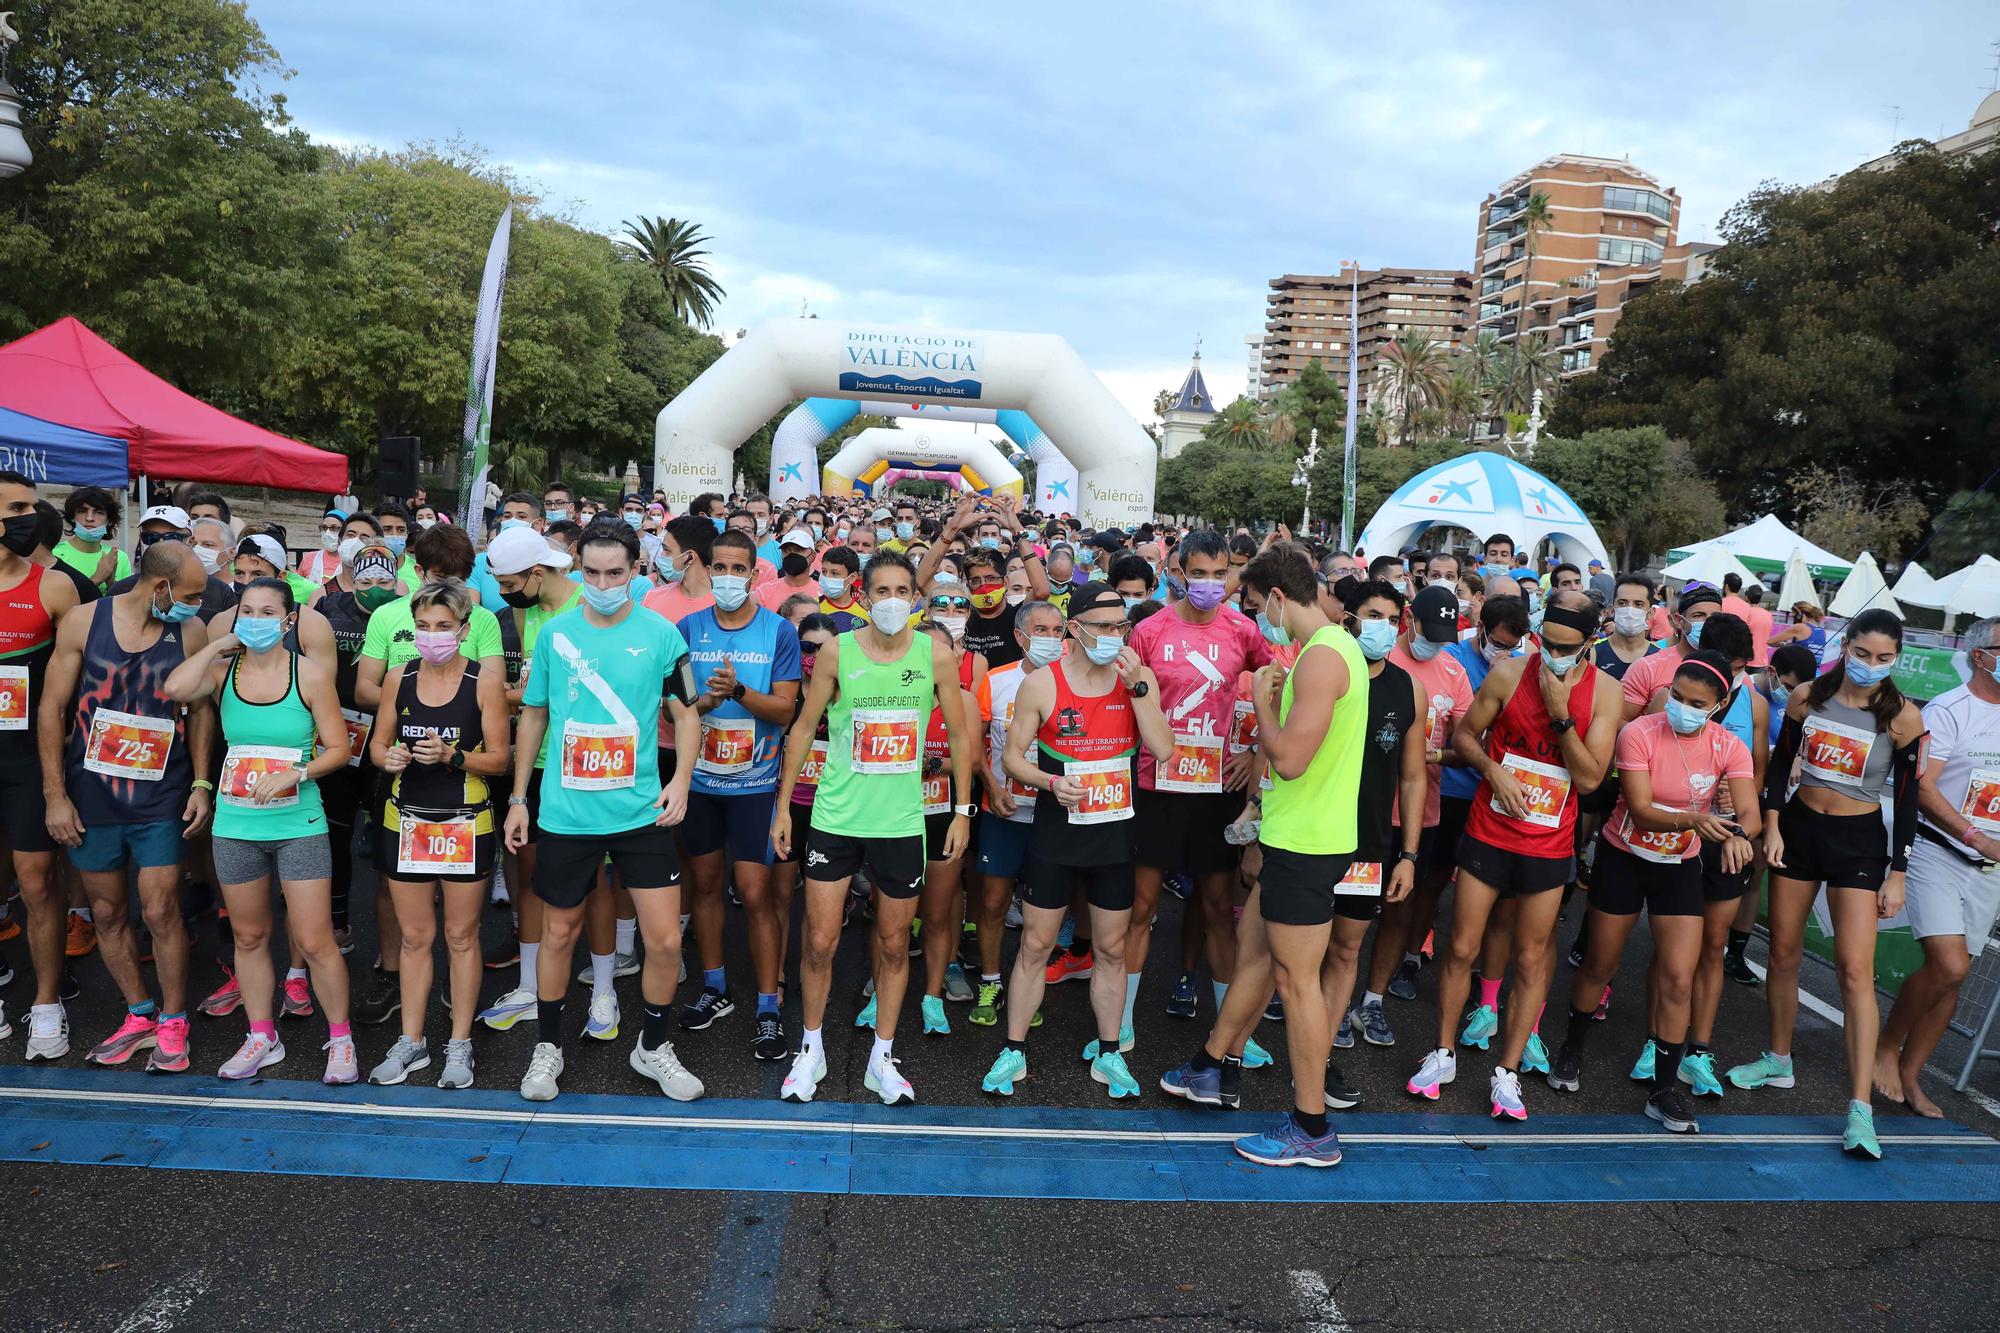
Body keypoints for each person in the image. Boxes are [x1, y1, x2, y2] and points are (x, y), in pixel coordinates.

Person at [1158, 544, 1367, 1167]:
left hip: (1309, 842)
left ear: (1278, 597)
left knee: (1295, 981)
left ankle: (1311, 1127)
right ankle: (1208, 1067)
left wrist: (1259, 700)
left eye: (1253, 606)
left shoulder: (1323, 659)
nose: (1253, 620)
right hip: (1296, 836)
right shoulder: (1326, 648)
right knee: (1251, 949)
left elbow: (1291, 758)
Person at [505, 520, 703, 1103]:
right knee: (559, 934)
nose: (602, 582)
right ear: (576, 569)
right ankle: (548, 1049)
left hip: (642, 812)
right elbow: (534, 716)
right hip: (566, 814)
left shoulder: (664, 635)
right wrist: (521, 798)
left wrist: (682, 781)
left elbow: (688, 713)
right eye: (590, 572)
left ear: (636, 571)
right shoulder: (555, 635)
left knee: (664, 941)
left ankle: (654, 1047)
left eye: (614, 572)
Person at [1408, 590, 1620, 1121]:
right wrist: (1493, 769)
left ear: (1590, 643)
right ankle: (1443, 1053)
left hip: (1548, 844)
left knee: (1531, 957)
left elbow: (1592, 778)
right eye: (1545, 642)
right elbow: (1464, 733)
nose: (1552, 653)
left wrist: (1559, 715)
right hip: (1488, 831)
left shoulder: (1607, 693)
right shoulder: (1507, 675)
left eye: (1565, 647)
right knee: (1460, 947)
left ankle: (1507, 1073)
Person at [771, 552, 974, 1106]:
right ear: (863, 596)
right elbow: (802, 728)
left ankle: (882, 1057)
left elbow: (959, 736)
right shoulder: (838, 649)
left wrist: (961, 810)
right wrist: (784, 807)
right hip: (836, 818)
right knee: (819, 941)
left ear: (915, 598)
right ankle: (810, 1048)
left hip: (902, 824)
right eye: (880, 589)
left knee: (890, 945)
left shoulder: (935, 655)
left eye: (901, 590)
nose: (890, 600)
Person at [1734, 607, 1925, 1159]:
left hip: (1859, 843)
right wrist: (1771, 827)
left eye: (1884, 658)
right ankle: (1779, 1060)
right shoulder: (1807, 697)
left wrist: (1899, 872)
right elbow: (1777, 767)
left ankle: (1860, 1107)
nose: (1871, 665)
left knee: (1855, 970)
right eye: (1862, 654)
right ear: (1846, 648)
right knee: (1784, 954)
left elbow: (1909, 800)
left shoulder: (1903, 717)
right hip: (1798, 830)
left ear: (1897, 658)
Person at [1548, 651, 1759, 1134]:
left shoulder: (1730, 746)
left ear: (1719, 704)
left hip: (1679, 866)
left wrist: (1740, 838)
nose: (1682, 708)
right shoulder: (1639, 732)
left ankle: (1664, 1089)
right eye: (1677, 698)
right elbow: (1640, 810)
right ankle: (1572, 1048)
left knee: (1680, 977)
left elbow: (1747, 811)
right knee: (1601, 963)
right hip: (1625, 858)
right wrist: (1697, 820)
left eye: (1696, 702)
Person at [983, 583, 1171, 1101]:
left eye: (1121, 627)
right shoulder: (1043, 684)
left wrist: (1139, 690)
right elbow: (1013, 757)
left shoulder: (1138, 680)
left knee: (1111, 948)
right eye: (1106, 627)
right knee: (1037, 945)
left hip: (1114, 836)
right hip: (1056, 834)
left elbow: (1162, 748)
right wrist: (1050, 782)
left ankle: (1109, 1051)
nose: (1115, 637)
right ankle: (1013, 1049)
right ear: (1077, 629)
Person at [162, 577, 354, 1081]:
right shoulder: (225, 671)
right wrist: (219, 644)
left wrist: (297, 772)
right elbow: (175, 689)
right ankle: (261, 1036)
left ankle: (341, 1042)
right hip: (237, 822)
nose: (255, 619)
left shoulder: (308, 674)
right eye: (247, 610)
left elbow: (339, 749)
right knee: (249, 936)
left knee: (314, 941)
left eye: (268, 611)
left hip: (299, 823)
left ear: (289, 621)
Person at [38, 541, 213, 1071]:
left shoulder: (190, 631)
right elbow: (52, 707)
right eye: (190, 594)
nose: (196, 605)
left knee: (161, 911)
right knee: (109, 912)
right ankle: (139, 1014)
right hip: (92, 795)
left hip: (161, 792)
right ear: (160, 587)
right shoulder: (82, 623)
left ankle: (174, 1019)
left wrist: (202, 782)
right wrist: (54, 795)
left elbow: (202, 710)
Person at [1122, 530, 1268, 1045]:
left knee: (1216, 908)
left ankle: (1233, 1036)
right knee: (1141, 908)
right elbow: (1128, 703)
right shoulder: (1150, 630)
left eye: (1219, 574)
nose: (1209, 584)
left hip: (1217, 791)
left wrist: (1253, 753)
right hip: (1155, 785)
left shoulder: (1243, 630)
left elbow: (1276, 689)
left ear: (1231, 575)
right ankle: (1119, 1026)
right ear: (1178, 573)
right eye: (1198, 573)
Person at [365, 581, 511, 1089]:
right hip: (405, 819)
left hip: (466, 821)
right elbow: (376, 746)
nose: (433, 637)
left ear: (464, 630)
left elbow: (501, 759)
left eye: (444, 627)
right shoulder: (398, 676)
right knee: (414, 936)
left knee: (461, 935)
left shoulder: (484, 681)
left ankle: (459, 1043)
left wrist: (454, 757)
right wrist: (391, 757)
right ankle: (412, 1041)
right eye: (423, 627)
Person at [675, 528, 803, 1054]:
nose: (727, 577)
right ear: (707, 570)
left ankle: (769, 1005)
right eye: (719, 567)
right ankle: (714, 986)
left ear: (753, 573)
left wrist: (741, 693)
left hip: (755, 785)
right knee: (704, 885)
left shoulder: (778, 632)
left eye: (737, 568)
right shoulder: (687, 628)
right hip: (700, 782)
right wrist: (704, 704)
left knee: (754, 894)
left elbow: (786, 710)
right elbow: (677, 706)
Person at [1877, 616, 2000, 1118]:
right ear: (1980, 655)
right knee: (1948, 963)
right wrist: (1975, 836)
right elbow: (1924, 788)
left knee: (1956, 975)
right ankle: (1886, 1046)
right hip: (1939, 852)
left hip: (1988, 871)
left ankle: (1912, 1072)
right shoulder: (1951, 709)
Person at [1319, 580, 1426, 1106]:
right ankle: (1238, 1049)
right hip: (1312, 838)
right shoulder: (1323, 673)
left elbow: (1411, 779)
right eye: (1371, 614)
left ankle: (1320, 1059)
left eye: (1390, 616)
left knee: (1345, 949)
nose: (1381, 625)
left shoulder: (1409, 689)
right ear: (1348, 617)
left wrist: (1407, 855)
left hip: (1369, 846)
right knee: (1290, 953)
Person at [475, 526, 584, 1032]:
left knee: (590, 879)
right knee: (527, 869)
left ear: (538, 573)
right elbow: (534, 695)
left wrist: (492, 695)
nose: (505, 595)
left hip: (585, 765)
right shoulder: (534, 612)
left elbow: (542, 695)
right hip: (536, 762)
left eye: (511, 585)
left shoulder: (586, 606)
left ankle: (599, 984)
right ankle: (531, 983)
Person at [1357, 583, 1475, 1042]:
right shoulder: (1374, 659)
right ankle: (1323, 994)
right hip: (1361, 809)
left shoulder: (1454, 672)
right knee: (1344, 913)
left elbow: (1466, 746)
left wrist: (1433, 757)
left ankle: (1372, 1001)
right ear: (1409, 620)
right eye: (1430, 631)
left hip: (1417, 814)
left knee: (1397, 911)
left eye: (1447, 636)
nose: (1437, 642)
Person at [0, 472, 85, 1058]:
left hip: (31, 757)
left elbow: (78, 687)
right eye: (18, 508)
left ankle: (46, 1005)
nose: (32, 517)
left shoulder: (54, 588)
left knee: (36, 883)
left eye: (31, 506)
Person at [968, 600, 1063, 1027]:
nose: (1050, 638)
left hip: (1052, 816)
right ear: (1020, 636)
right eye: (1039, 630)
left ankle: (1028, 985)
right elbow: (977, 745)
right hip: (1003, 811)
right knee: (992, 903)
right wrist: (991, 786)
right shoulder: (994, 680)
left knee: (1039, 909)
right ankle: (991, 979)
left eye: (1058, 630)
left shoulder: (1072, 682)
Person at [642, 514, 719, 624]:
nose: (661, 555)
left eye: (667, 550)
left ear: (689, 557)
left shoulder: (723, 605)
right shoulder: (652, 598)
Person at [54, 486, 131, 591]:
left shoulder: (120, 558)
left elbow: (126, 604)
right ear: (72, 516)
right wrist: (97, 579)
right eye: (82, 511)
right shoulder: (55, 555)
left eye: (98, 512)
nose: (89, 518)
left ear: (109, 520)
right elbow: (55, 603)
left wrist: (112, 585)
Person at [757, 528, 821, 611]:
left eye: (799, 550)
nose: (792, 555)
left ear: (813, 556)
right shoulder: (764, 592)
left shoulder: (822, 593)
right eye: (786, 550)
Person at [817, 545, 869, 631]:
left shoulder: (864, 615)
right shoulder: (813, 607)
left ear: (852, 577)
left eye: (834, 573)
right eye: (824, 571)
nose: (827, 577)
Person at [299, 510, 348, 584]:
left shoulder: (352, 563)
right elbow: (299, 586)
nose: (327, 533)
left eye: (334, 528)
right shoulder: (309, 558)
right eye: (324, 527)